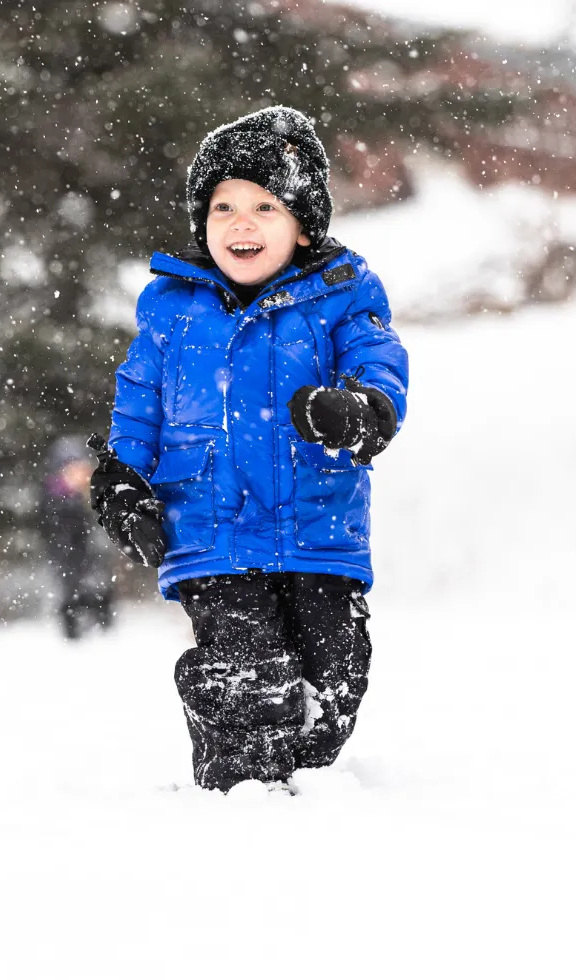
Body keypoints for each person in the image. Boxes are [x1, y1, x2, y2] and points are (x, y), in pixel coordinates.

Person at [88, 106, 408, 790]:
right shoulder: (171, 308)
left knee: (335, 681)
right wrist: (122, 476)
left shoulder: (343, 295)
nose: (240, 222)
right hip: (211, 530)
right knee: (249, 673)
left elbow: (379, 365)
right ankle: (239, 790)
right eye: (223, 205)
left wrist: (356, 411)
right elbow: (139, 401)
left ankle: (299, 780)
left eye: (265, 206)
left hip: (317, 526)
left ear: (304, 222)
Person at [38, 436, 115, 639]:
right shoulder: (55, 498)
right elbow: (56, 529)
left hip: (90, 562)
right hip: (70, 561)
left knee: (98, 592)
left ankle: (101, 626)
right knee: (72, 595)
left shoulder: (92, 492)